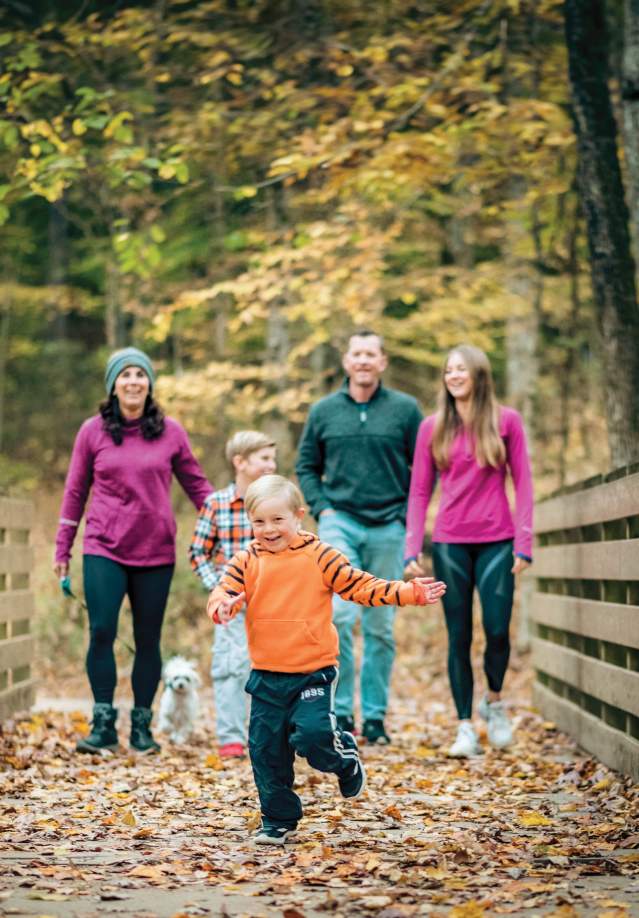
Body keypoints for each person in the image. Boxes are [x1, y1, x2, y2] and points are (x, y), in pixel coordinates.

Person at [206, 475, 446, 845]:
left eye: (278, 520)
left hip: (312, 672)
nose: (268, 530)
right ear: (249, 522)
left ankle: (344, 759)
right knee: (265, 751)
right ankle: (277, 818)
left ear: (299, 516)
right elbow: (224, 591)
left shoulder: (321, 556)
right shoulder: (246, 560)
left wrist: (407, 593)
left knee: (316, 740)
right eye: (259, 522)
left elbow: (360, 585)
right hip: (267, 675)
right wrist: (222, 606)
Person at [53, 347, 213, 755]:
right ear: (113, 385)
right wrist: (62, 549)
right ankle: (103, 723)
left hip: (155, 551)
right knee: (102, 630)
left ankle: (142, 726)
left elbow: (198, 486)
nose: (133, 382)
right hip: (104, 545)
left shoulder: (171, 432)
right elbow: (75, 491)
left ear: (149, 383)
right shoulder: (92, 431)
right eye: (124, 375)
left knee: (148, 639)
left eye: (140, 375)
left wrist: (227, 522)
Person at [404, 344, 533, 758]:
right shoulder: (432, 427)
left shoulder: (506, 421)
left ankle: (493, 703)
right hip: (449, 543)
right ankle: (464, 728)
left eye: (461, 369)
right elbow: (420, 490)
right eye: (448, 370)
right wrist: (412, 549)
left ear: (478, 375)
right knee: (458, 635)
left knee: (496, 630)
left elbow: (525, 483)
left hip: (498, 539)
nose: (453, 376)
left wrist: (524, 542)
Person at [295, 331, 423, 745]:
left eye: (371, 354)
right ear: (346, 361)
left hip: (389, 525)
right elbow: (306, 465)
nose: (364, 361)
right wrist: (323, 509)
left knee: (381, 625)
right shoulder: (324, 411)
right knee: (341, 617)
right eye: (357, 354)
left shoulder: (405, 410)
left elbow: (422, 469)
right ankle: (342, 712)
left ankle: (375, 718)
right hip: (341, 522)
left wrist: (407, 517)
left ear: (382, 362)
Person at [189, 430, 277, 759]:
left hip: (273, 603)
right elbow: (198, 552)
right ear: (240, 462)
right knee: (229, 665)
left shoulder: (278, 503)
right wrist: (219, 586)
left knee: (272, 667)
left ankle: (267, 734)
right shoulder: (217, 505)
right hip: (231, 604)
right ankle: (231, 737)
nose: (272, 464)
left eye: (273, 458)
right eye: (264, 458)